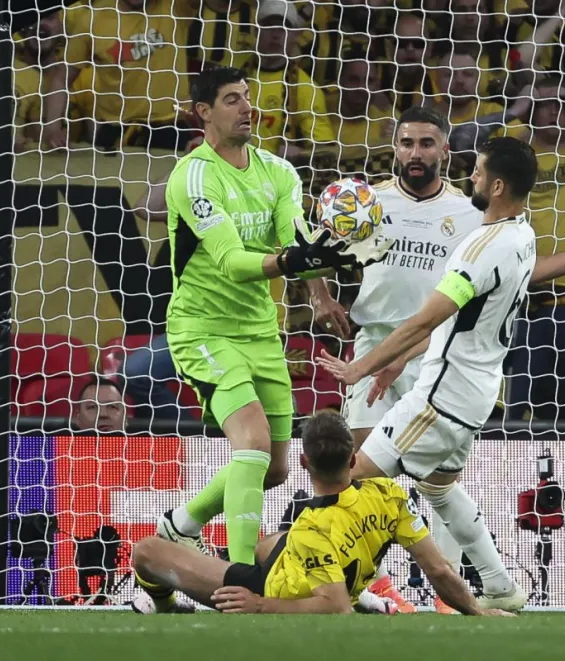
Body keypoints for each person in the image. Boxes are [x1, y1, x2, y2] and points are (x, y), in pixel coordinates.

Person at [317, 137, 565, 611]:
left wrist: (361, 366)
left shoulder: (478, 249)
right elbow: (458, 321)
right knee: (438, 489)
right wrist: (398, 362)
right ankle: (501, 585)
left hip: (441, 397)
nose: (472, 177)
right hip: (478, 392)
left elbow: (427, 318)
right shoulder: (522, 235)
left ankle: (351, 588)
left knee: (352, 479)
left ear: (497, 186)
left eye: (478, 172)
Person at [155, 66, 387, 567]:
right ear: (203, 112)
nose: (248, 108)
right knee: (253, 445)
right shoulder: (193, 177)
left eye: (247, 97)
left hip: (262, 331)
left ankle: (181, 525)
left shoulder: (279, 172)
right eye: (232, 100)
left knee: (277, 469)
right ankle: (240, 575)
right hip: (203, 330)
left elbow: (295, 240)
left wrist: (327, 274)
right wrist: (293, 261)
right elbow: (232, 263)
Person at [308, 104, 485, 614]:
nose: (415, 153)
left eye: (426, 143)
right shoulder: (367, 202)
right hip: (374, 343)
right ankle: (376, 587)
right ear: (395, 148)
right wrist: (321, 296)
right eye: (407, 143)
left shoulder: (470, 214)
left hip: (437, 351)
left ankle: (447, 596)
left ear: (445, 150)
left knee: (438, 478)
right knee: (360, 471)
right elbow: (305, 241)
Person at [130, 412, 510, 617]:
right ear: (353, 459)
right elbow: (439, 569)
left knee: (147, 551)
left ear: (303, 462)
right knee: (270, 544)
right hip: (302, 558)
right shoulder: (390, 494)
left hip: (270, 588)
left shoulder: (310, 527)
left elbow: (335, 607)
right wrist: (476, 611)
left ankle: (163, 603)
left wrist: (259, 605)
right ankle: (366, 595)